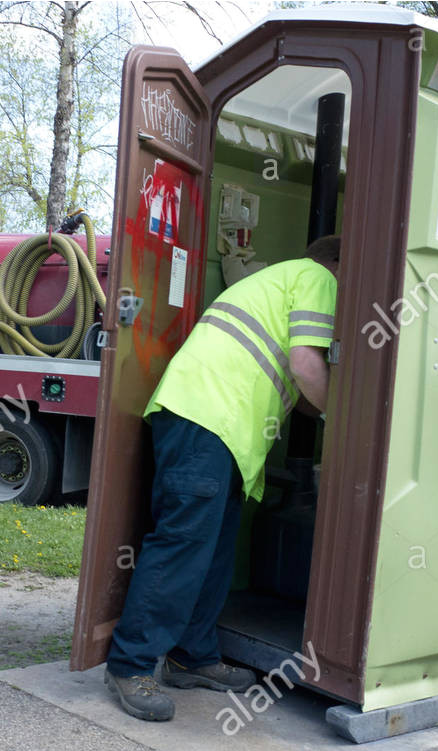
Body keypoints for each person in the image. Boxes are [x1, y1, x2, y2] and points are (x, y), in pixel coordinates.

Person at [104, 234, 340, 721]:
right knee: (183, 541)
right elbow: (305, 364)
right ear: (339, 265)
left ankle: (193, 655)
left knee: (212, 548)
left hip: (216, 424)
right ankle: (130, 665)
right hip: (208, 418)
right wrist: (343, 418)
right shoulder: (319, 277)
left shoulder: (278, 279)